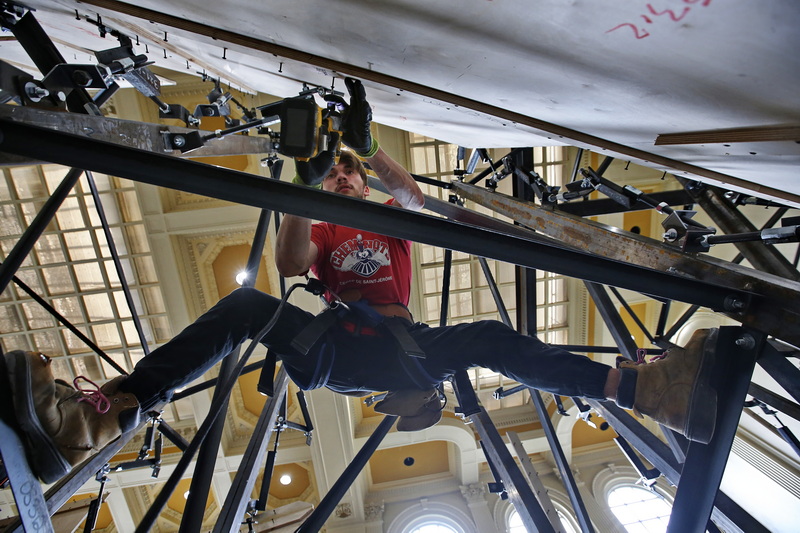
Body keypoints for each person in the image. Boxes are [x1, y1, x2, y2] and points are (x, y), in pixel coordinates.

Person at [2, 79, 719, 485]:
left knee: (490, 337)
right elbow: (287, 265)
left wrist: (370, 154)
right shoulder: (329, 232)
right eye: (337, 171)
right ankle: (111, 410)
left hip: (399, 344)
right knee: (249, 306)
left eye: (347, 172)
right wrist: (302, 192)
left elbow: (416, 203)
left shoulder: (382, 218)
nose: (342, 176)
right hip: (338, 342)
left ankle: (640, 389)